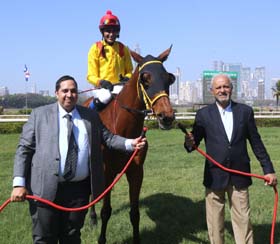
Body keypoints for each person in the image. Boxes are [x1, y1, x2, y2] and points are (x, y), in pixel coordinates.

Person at [10, 75, 146, 244]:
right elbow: (24, 149)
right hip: (44, 189)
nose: (69, 95)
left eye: (73, 91)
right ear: (56, 93)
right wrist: (18, 183)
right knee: (44, 238)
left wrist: (130, 143)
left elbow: (109, 138)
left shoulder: (90, 116)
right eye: (65, 91)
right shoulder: (39, 115)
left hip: (78, 192)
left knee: (72, 237)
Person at [184, 73, 277, 244]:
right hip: (214, 177)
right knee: (215, 224)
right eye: (218, 87)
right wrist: (189, 142)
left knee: (243, 221)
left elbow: (256, 143)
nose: (222, 90)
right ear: (212, 91)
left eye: (226, 86)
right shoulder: (203, 115)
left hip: (239, 175)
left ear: (232, 89)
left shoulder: (245, 112)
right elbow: (193, 144)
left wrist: (268, 170)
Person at [87, 10, 133, 110]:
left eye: (114, 31)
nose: (111, 34)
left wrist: (127, 78)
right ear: (102, 32)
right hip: (102, 89)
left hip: (119, 87)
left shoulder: (123, 48)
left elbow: (129, 71)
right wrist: (101, 82)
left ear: (117, 32)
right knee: (105, 96)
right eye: (108, 31)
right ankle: (88, 116)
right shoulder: (95, 48)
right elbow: (90, 76)